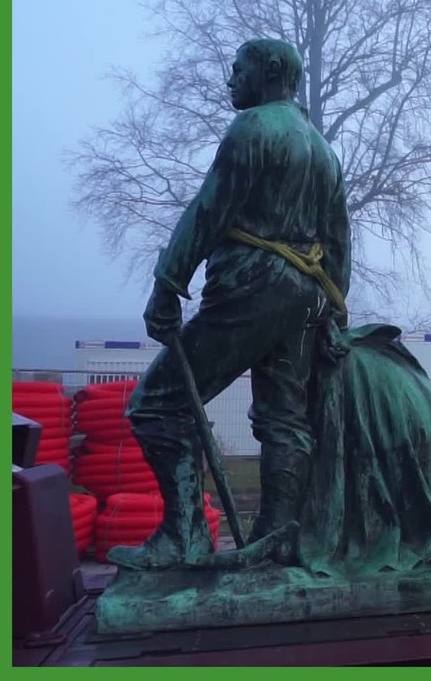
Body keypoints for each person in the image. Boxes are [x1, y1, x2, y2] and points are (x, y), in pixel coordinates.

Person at [111, 38, 351, 570]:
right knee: (284, 419)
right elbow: (338, 242)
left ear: (270, 71)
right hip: (304, 299)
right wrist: (334, 313)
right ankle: (278, 537)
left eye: (238, 70)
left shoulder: (253, 128)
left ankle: (185, 537)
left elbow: (210, 210)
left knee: (156, 403)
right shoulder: (323, 150)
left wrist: (168, 283)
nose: (230, 79)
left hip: (252, 288)